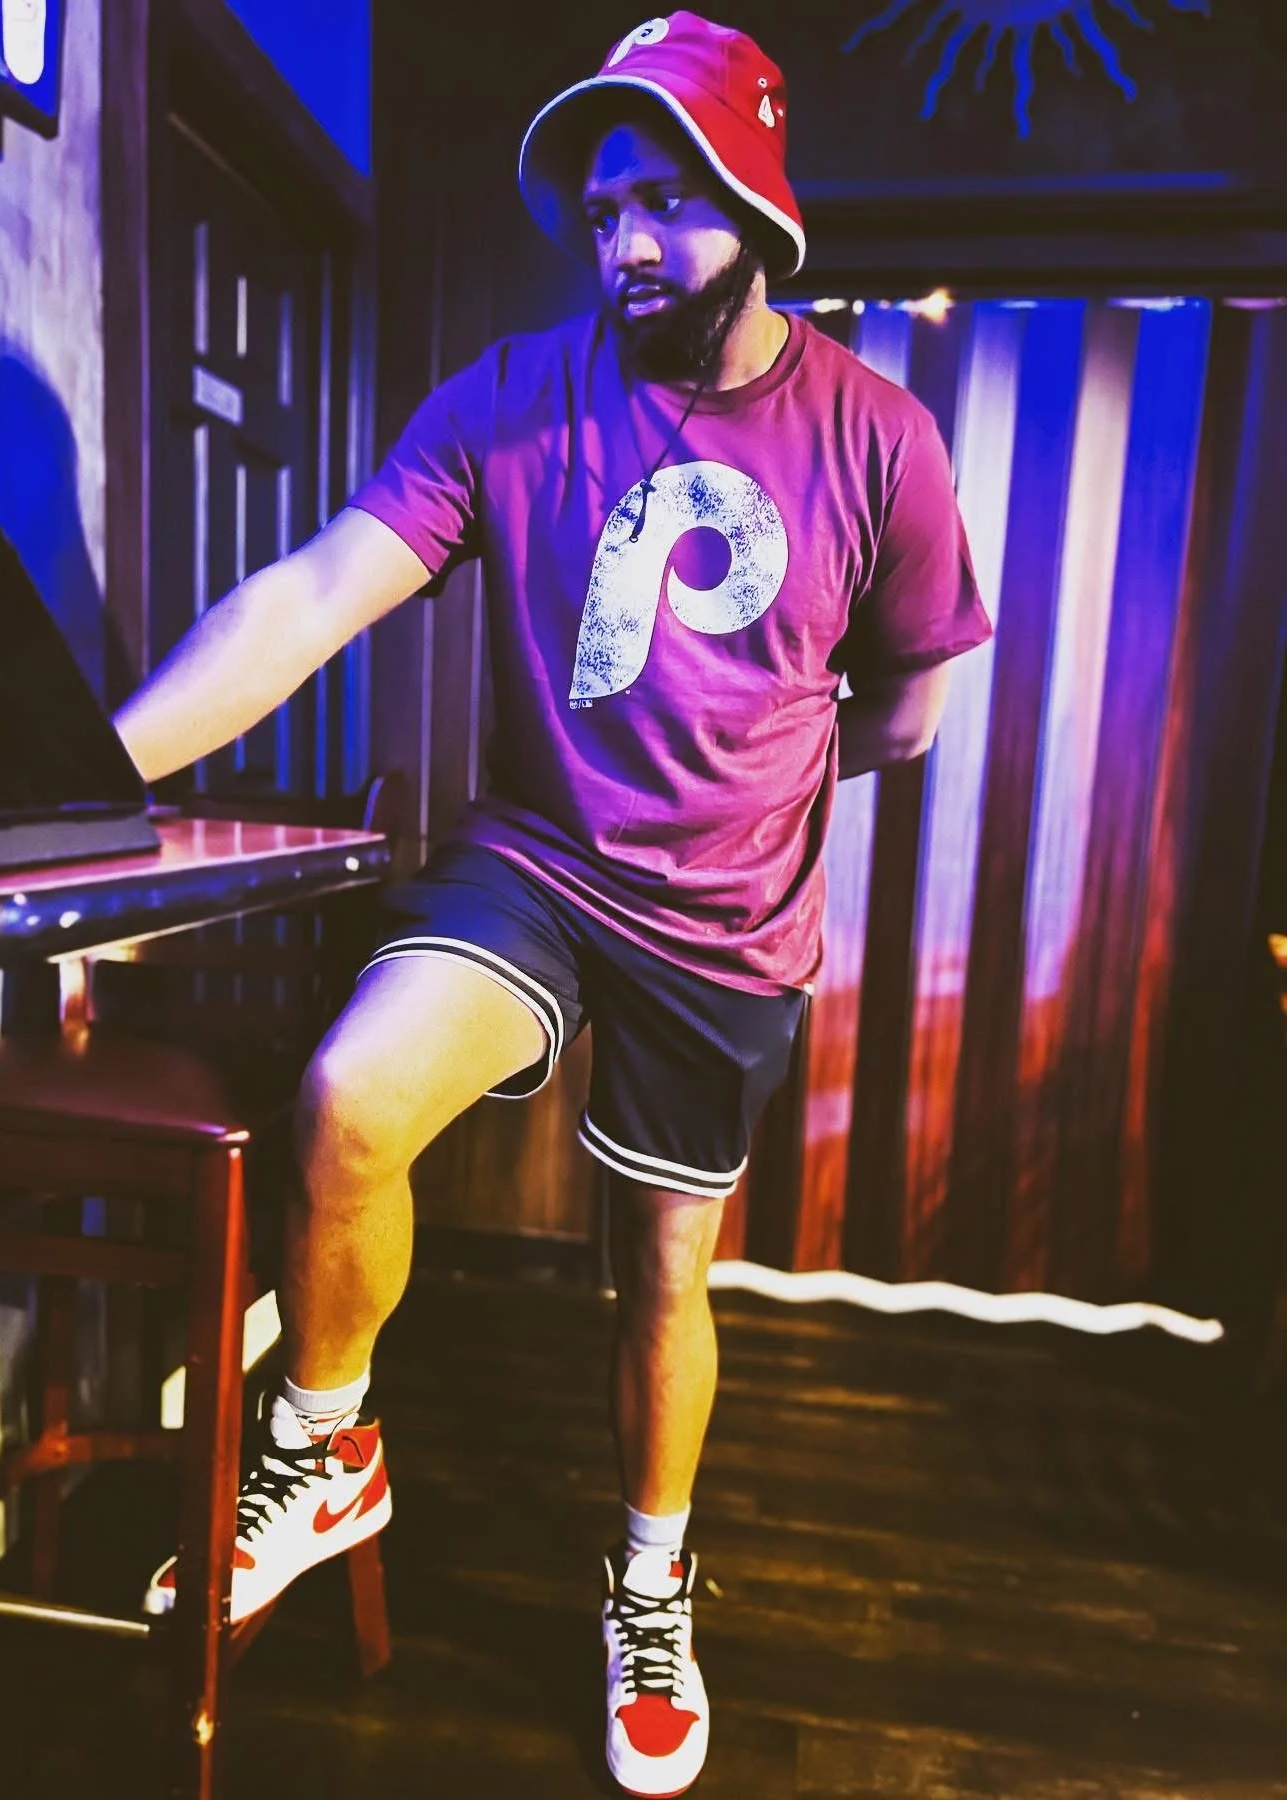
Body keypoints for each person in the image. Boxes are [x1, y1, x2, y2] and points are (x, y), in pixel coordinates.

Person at [114, 12, 991, 1794]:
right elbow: (306, 598)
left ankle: (652, 1586)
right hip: (537, 863)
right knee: (351, 1101)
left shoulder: (879, 438)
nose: (626, 245)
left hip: (730, 924)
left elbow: (903, 707)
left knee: (662, 1270)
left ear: (762, 199)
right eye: (603, 211)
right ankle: (329, 1439)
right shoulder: (510, 397)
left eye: (669, 201)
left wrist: (764, 783)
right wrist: (92, 776)